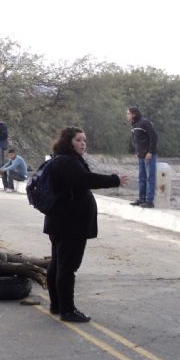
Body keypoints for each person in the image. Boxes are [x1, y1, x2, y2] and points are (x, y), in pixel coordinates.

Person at [44, 127, 128, 322]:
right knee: (67, 268)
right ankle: (67, 310)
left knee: (58, 265)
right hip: (69, 225)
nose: (83, 143)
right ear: (68, 142)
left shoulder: (63, 160)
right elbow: (86, 180)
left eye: (84, 140)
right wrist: (114, 180)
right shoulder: (67, 162)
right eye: (78, 140)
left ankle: (57, 305)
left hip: (61, 223)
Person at [127, 106, 159, 208]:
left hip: (149, 155)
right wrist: (137, 151)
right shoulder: (134, 124)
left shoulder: (144, 122)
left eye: (128, 113)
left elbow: (154, 137)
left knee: (150, 178)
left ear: (134, 114)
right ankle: (142, 199)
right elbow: (136, 140)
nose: (127, 115)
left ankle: (149, 201)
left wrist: (150, 152)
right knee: (141, 178)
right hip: (140, 155)